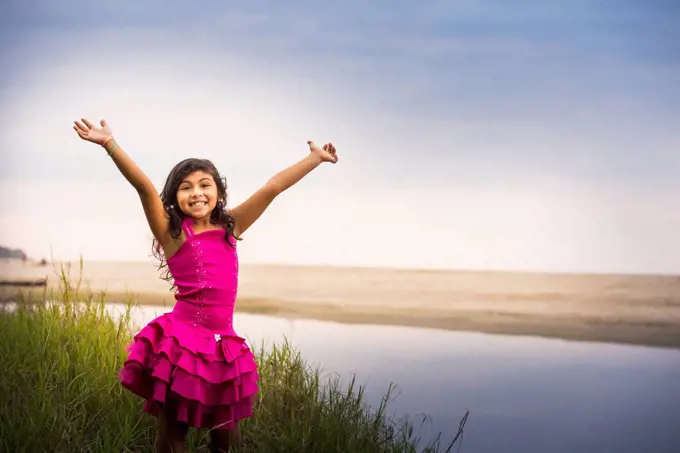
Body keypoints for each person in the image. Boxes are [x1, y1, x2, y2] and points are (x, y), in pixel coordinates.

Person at [73, 117, 339, 453]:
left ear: (218, 192)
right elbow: (143, 185)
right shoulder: (172, 234)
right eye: (186, 187)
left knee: (226, 436)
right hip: (181, 344)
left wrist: (314, 159)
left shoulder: (231, 226)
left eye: (204, 184)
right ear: (174, 198)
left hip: (223, 346)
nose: (196, 193)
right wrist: (110, 144)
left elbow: (272, 188)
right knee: (174, 432)